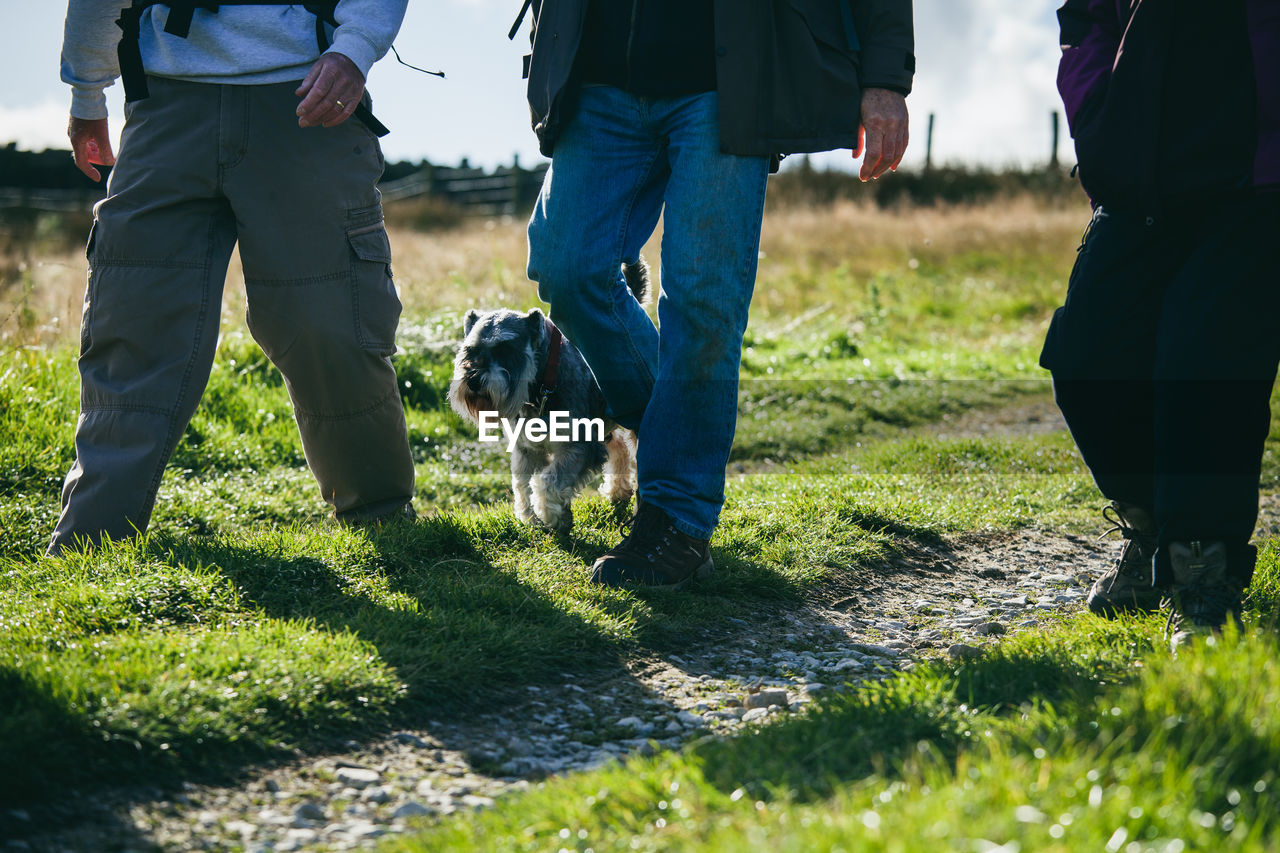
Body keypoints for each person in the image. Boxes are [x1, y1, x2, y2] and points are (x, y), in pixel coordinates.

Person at [517, 0, 914, 588]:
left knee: (704, 305)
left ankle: (678, 519)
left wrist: (884, 79)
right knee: (565, 265)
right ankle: (672, 431)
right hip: (595, 73)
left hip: (726, 83)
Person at [50, 0, 415, 554]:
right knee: (132, 322)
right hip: (167, 101)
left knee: (329, 320)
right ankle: (91, 543)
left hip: (308, 94)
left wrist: (356, 49)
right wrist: (87, 90)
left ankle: (382, 521)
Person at [1042, 0, 1280, 643]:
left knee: (1205, 357)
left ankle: (1201, 574)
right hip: (1141, 171)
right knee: (1089, 355)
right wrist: (1097, 123)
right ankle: (1151, 537)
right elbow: (1086, 18)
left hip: (1258, 181)